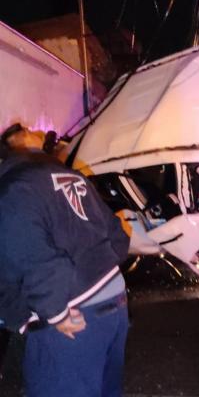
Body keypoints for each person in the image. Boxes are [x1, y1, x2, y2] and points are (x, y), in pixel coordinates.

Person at [0, 123, 130, 397]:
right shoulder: (67, 174)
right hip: (114, 302)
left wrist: (56, 313)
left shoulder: (10, 192)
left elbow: (37, 260)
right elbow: (117, 235)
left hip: (73, 315)